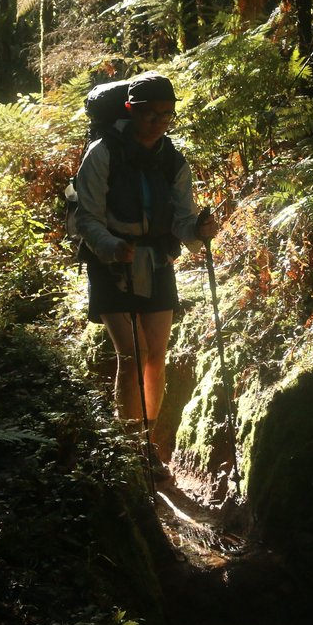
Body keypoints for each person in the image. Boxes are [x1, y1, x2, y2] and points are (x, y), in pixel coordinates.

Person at [73, 71, 218, 472]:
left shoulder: (171, 159)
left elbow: (183, 220)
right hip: (110, 264)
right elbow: (86, 217)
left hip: (156, 262)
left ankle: (149, 446)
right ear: (130, 110)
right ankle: (131, 448)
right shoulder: (102, 153)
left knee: (156, 357)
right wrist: (110, 246)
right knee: (132, 355)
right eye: (149, 114)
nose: (157, 122)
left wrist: (200, 231)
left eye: (166, 115)